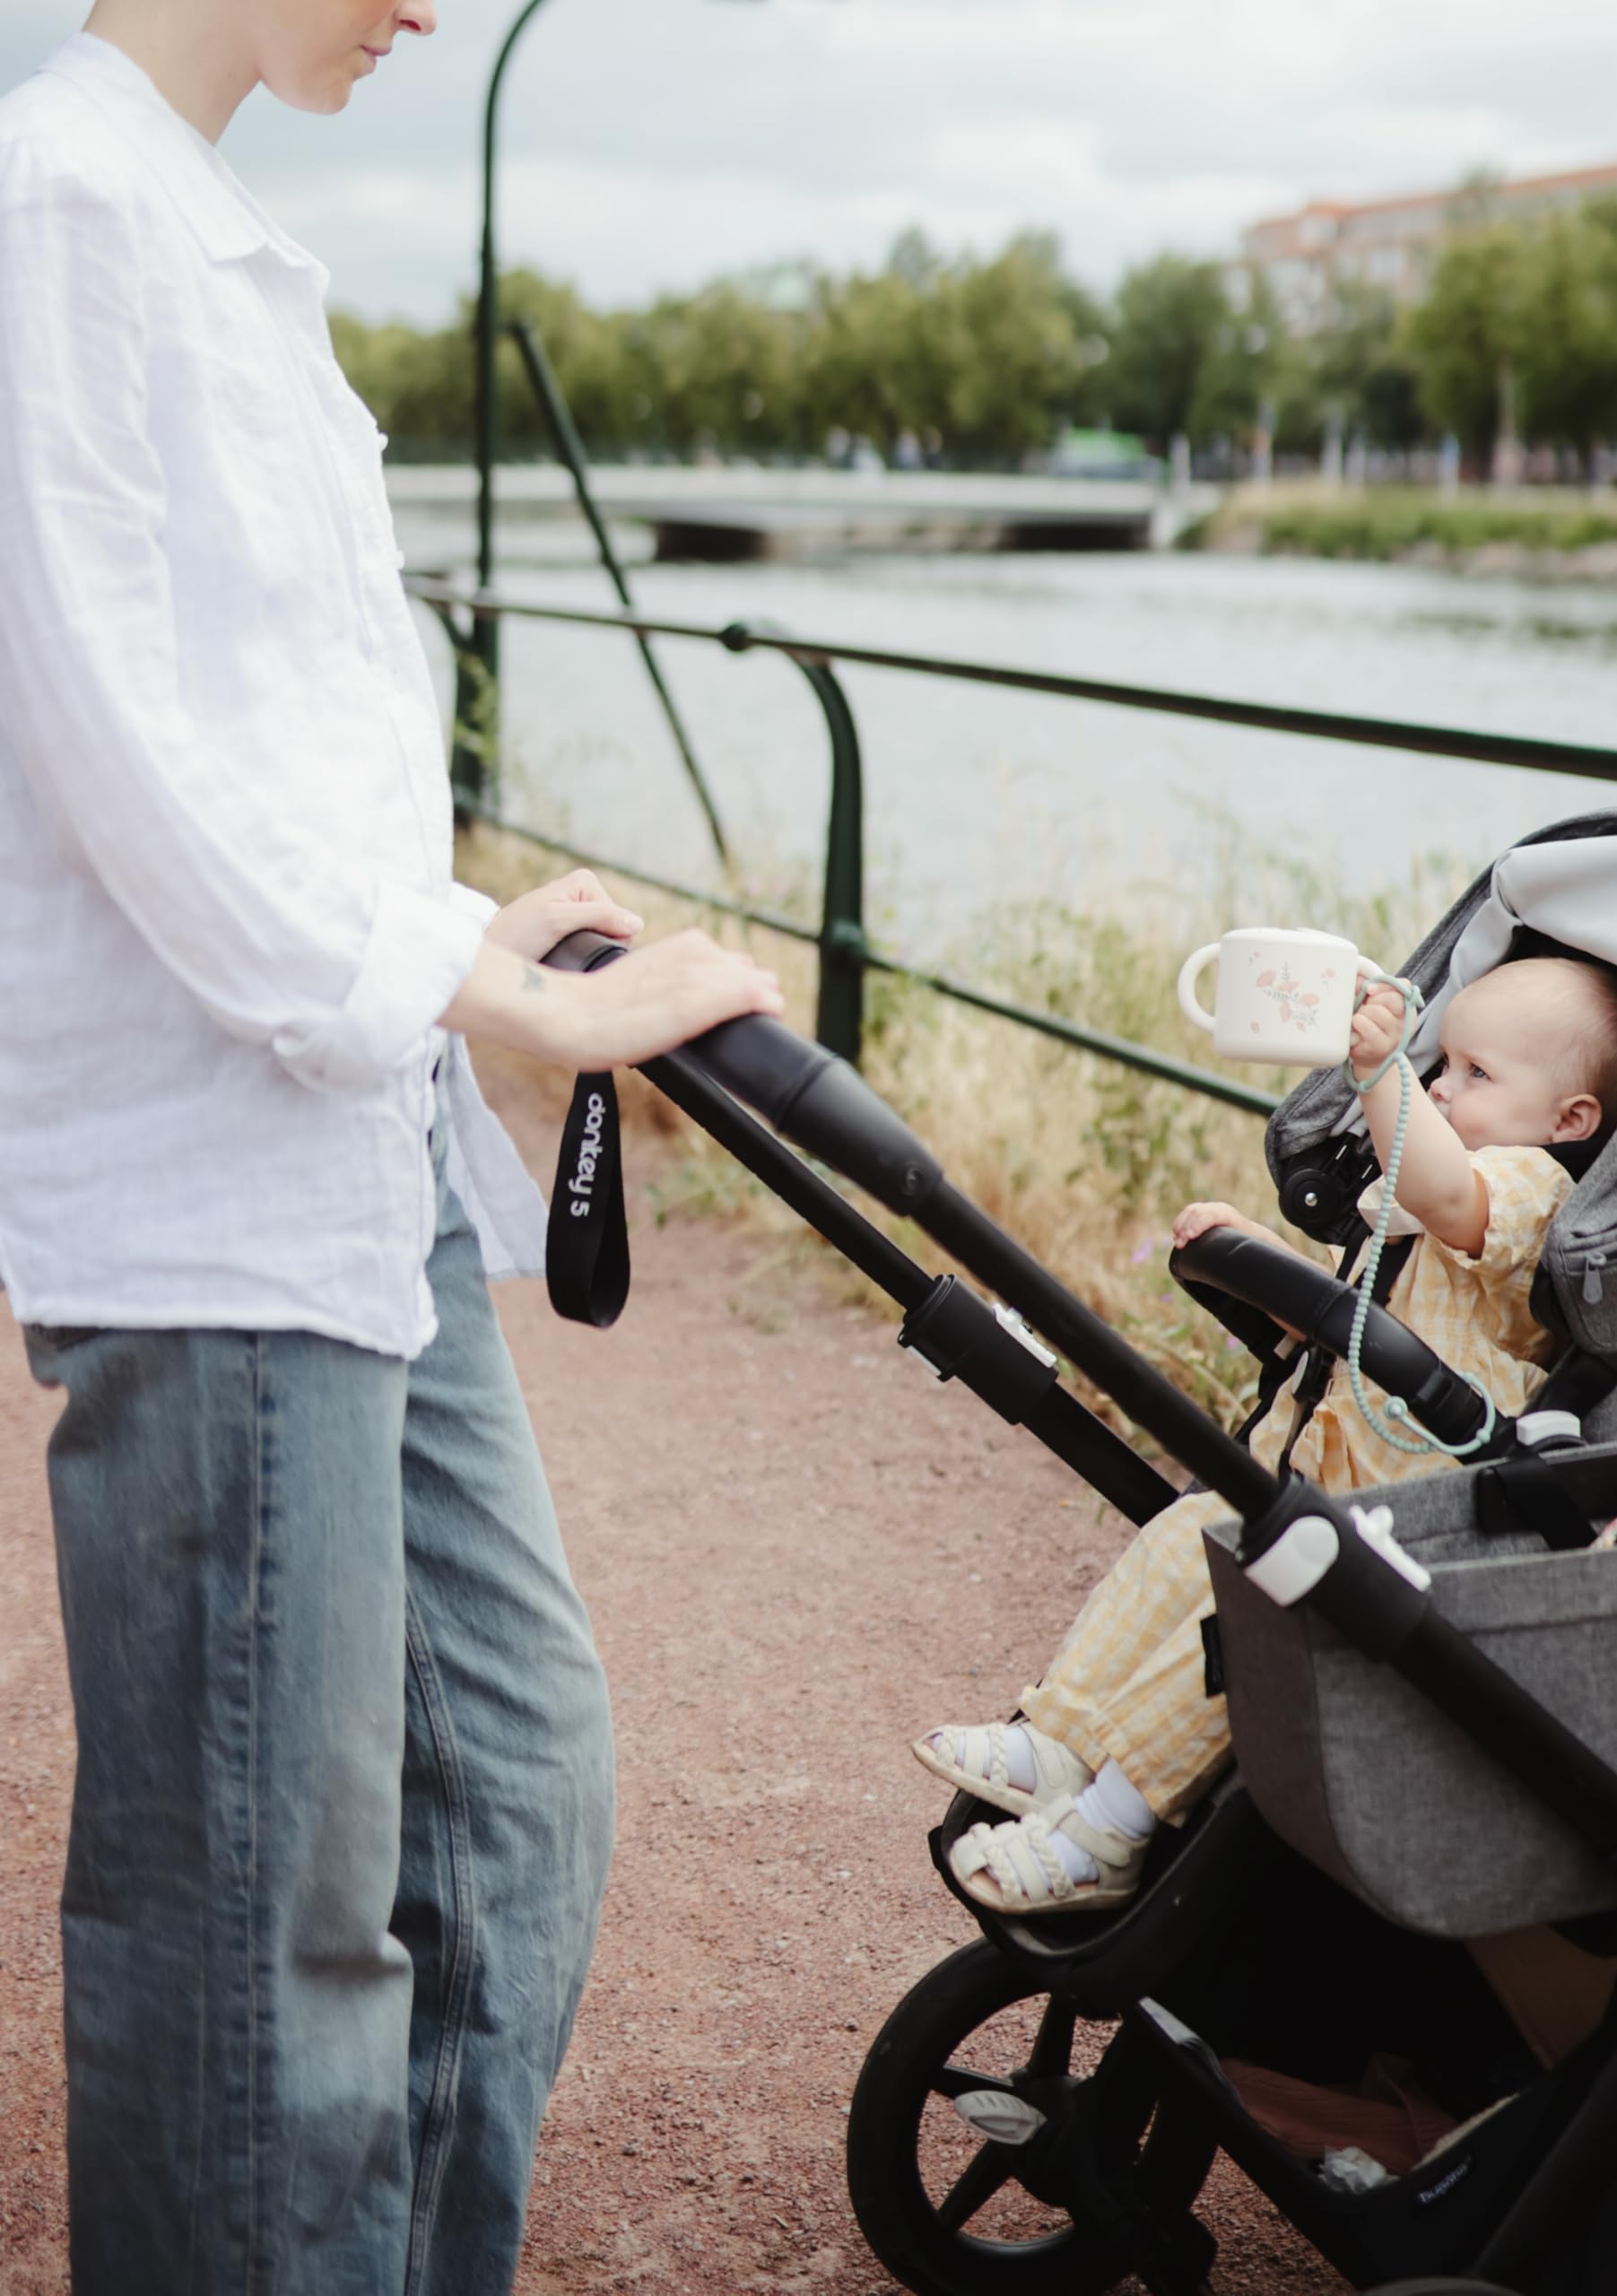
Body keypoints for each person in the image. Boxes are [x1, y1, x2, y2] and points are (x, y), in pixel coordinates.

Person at [0, 8, 786, 2291]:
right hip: (220, 1196)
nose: (431, 4)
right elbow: (112, 731)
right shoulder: (61, 200)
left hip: (356, 1165)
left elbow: (260, 743)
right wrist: (486, 986)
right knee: (262, 1943)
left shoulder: (194, 216)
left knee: (511, 1797)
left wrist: (468, 933)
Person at [916, 956, 1617, 1914]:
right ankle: (1059, 1739)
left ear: (1570, 1120)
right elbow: (1350, 1313)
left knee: (1235, 1644)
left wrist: (1383, 1073)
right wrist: (1256, 1257)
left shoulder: (1529, 1192)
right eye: (1444, 1066)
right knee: (1177, 1548)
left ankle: (1109, 1831)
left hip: (1403, 1510)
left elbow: (1440, 1190)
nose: (1442, 1084)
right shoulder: (1415, 1203)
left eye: (1476, 1074)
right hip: (1312, 1468)